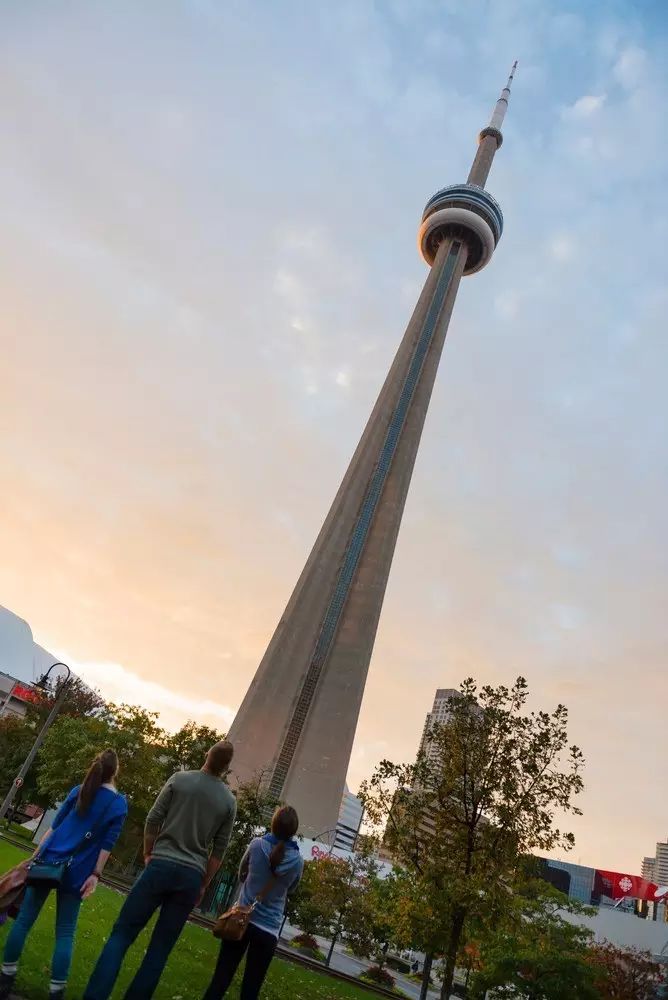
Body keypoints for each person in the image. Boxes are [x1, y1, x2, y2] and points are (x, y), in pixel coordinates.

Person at [84, 739, 237, 1000]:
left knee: (121, 935)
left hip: (160, 864)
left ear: (207, 754)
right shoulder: (229, 801)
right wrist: (203, 883)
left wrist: (148, 851)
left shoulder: (179, 779)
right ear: (226, 768)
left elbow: (153, 818)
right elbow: (219, 851)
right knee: (159, 950)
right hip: (191, 877)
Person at [0, 748, 127, 1000]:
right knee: (66, 932)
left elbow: (53, 830)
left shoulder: (79, 791)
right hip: (77, 872)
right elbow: (106, 845)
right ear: (115, 772)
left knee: (24, 921)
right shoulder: (118, 804)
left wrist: (34, 858)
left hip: (48, 861)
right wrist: (96, 875)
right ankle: (56, 990)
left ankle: (5, 978)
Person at [203, 805, 303, 1000]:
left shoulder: (257, 845)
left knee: (221, 979)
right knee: (251, 989)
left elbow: (241, 873)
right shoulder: (298, 861)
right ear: (293, 831)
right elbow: (291, 889)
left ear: (273, 824)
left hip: (240, 920)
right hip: (269, 930)